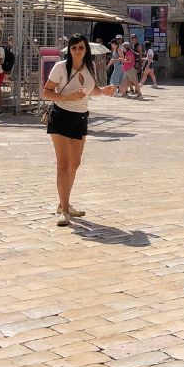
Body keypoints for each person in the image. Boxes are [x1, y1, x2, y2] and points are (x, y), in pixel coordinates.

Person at [42, 34, 116, 226]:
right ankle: (64, 210)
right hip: (61, 117)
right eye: (74, 48)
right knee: (63, 165)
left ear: (86, 50)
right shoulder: (60, 67)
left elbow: (92, 90)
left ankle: (63, 203)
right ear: (69, 49)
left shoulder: (89, 67)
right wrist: (67, 97)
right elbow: (46, 92)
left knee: (74, 164)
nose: (77, 51)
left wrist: (104, 91)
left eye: (81, 47)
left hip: (81, 118)